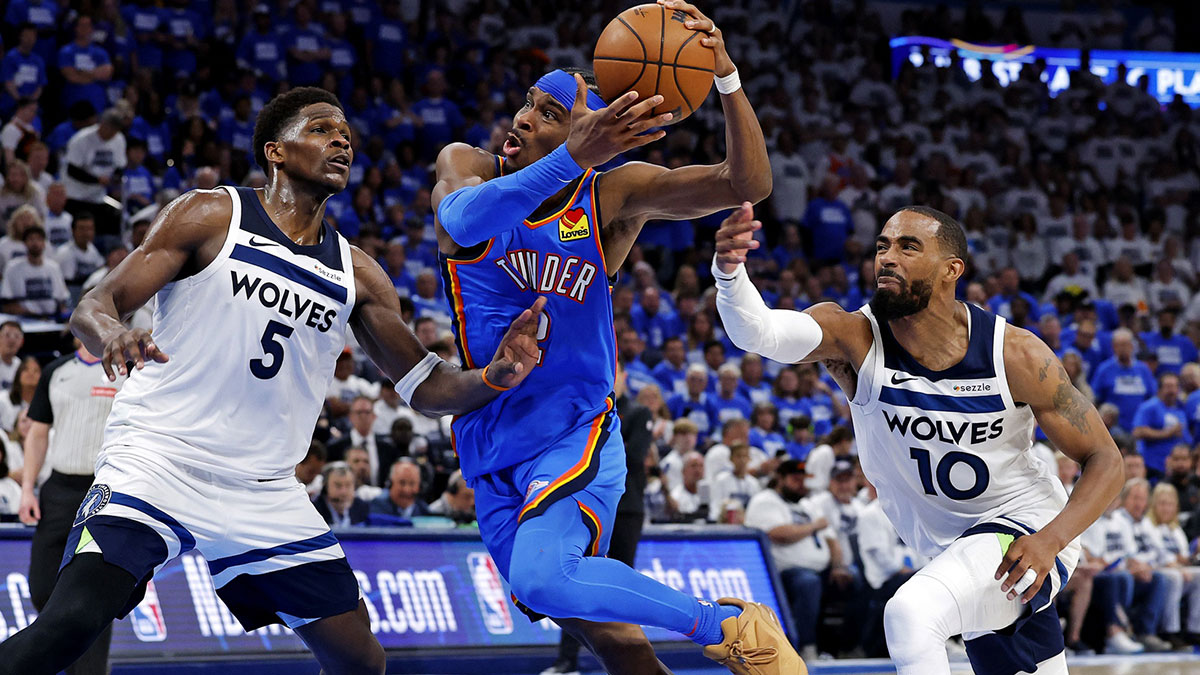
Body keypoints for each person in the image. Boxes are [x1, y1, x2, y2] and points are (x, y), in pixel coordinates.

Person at [0, 86, 544, 675]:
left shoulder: (357, 271)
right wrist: (112, 335)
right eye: (321, 130)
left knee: (361, 661)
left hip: (263, 488)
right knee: (69, 625)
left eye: (347, 136)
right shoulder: (211, 214)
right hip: (158, 460)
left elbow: (425, 386)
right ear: (275, 151)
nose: (341, 141)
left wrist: (494, 375)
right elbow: (94, 303)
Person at [430, 0, 797, 670]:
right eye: (528, 103)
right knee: (608, 630)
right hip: (489, 439)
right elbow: (462, 219)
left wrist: (726, 76)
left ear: (590, 130)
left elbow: (748, 183)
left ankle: (732, 626)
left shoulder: (607, 197)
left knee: (546, 578)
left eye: (548, 112)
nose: (522, 118)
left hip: (576, 432)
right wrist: (571, 152)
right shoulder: (468, 166)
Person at [714, 203, 1124, 674]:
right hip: (950, 549)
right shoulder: (853, 336)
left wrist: (1051, 540)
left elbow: (1106, 460)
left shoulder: (1015, 353)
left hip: (1024, 531)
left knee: (912, 614)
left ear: (952, 270)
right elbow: (759, 332)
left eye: (909, 247)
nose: (888, 257)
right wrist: (729, 274)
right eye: (883, 245)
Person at [15, 342, 125, 675]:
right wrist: (27, 490)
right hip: (59, 489)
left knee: (96, 591)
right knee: (41, 587)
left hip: (105, 490)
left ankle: (90, 670)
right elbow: (38, 432)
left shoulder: (129, 371)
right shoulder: (56, 371)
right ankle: (64, 651)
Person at [744, 460, 842, 662]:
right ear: (780, 478)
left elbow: (831, 538)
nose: (800, 484)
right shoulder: (766, 500)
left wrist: (838, 566)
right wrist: (813, 526)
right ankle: (805, 646)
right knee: (808, 583)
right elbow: (779, 533)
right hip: (784, 572)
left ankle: (848, 648)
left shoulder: (808, 504)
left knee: (856, 581)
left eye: (802, 480)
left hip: (820, 569)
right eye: (795, 479)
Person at [313, 461, 370, 528]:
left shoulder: (363, 508)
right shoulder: (314, 511)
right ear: (326, 487)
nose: (344, 492)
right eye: (338, 485)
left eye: (348, 485)